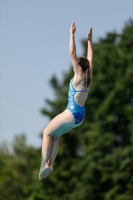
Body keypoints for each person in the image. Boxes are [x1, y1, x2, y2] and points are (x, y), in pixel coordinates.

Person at [38, 22, 93, 180]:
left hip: (71, 112)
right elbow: (90, 58)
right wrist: (89, 41)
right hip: (80, 117)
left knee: (46, 132)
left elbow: (72, 53)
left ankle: (44, 164)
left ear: (79, 66)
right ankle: (51, 163)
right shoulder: (89, 78)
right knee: (55, 135)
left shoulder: (79, 76)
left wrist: (72, 34)